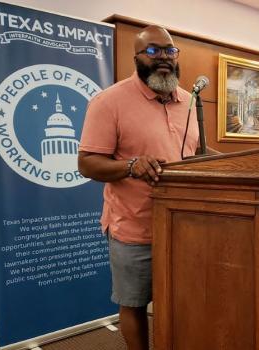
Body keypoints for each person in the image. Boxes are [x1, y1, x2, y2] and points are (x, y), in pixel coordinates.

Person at [78, 25, 199, 350]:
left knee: (181, 299)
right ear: (137, 58)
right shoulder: (108, 102)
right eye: (153, 51)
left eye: (170, 51)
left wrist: (243, 161)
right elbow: (87, 163)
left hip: (185, 226)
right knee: (133, 303)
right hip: (134, 227)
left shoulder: (189, 101)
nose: (163, 57)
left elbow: (196, 154)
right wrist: (131, 166)